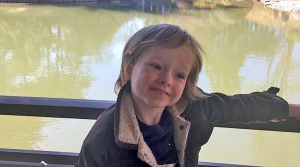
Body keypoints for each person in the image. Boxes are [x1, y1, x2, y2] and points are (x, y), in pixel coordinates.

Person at [76, 24, 300, 167]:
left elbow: (239, 106)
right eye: (156, 65)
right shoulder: (103, 138)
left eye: (180, 74)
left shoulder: (194, 109)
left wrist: (287, 109)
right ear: (129, 66)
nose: (167, 79)